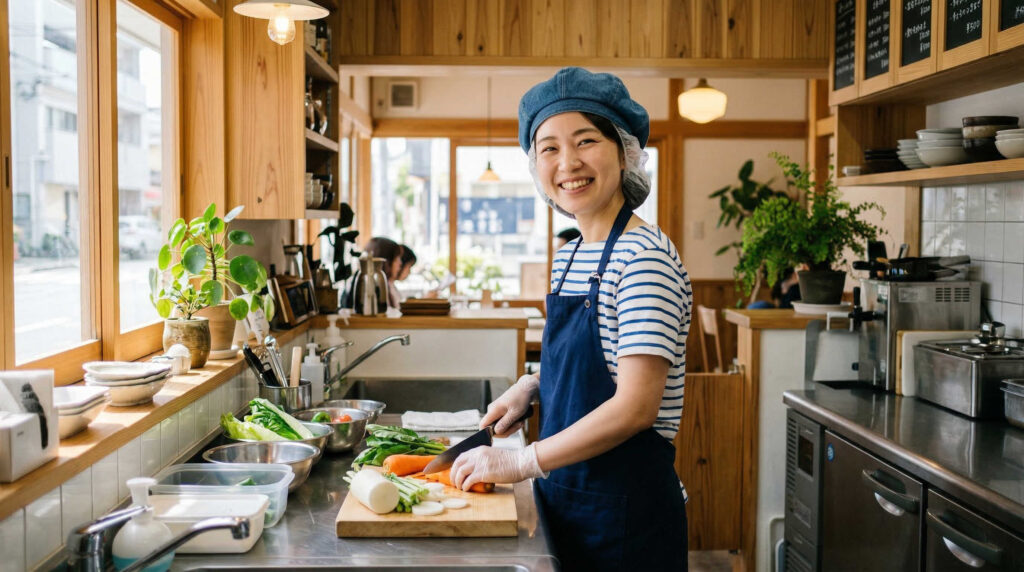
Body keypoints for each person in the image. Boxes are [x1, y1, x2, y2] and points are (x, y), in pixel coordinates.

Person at [450, 67, 691, 571]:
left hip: (624, 516)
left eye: (585, 141)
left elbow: (635, 407)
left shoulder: (644, 257)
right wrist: (534, 384)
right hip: (567, 498)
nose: (568, 163)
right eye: (549, 148)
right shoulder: (571, 255)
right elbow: (602, 359)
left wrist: (520, 460)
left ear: (625, 152)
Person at [363, 237, 403, 309]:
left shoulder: (389, 285)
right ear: (386, 262)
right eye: (396, 259)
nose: (400, 263)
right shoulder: (372, 288)